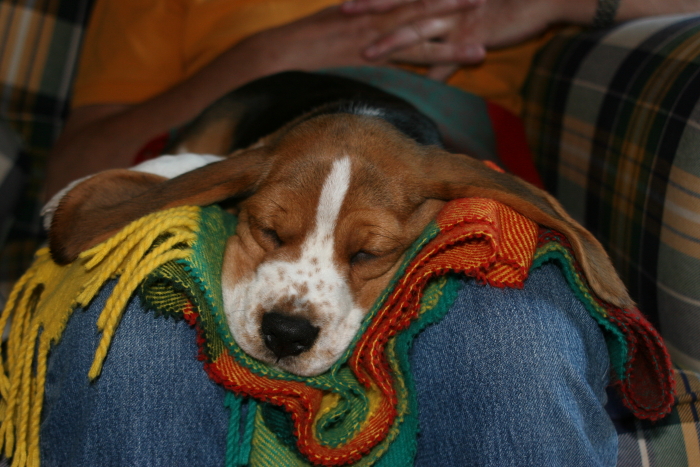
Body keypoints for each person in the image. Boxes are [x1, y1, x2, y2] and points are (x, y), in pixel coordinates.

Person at [37, 1, 697, 465]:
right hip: (231, 157)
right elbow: (66, 184)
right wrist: (263, 57)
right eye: (273, 232)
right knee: (135, 345)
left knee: (510, 348)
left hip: (451, 177)